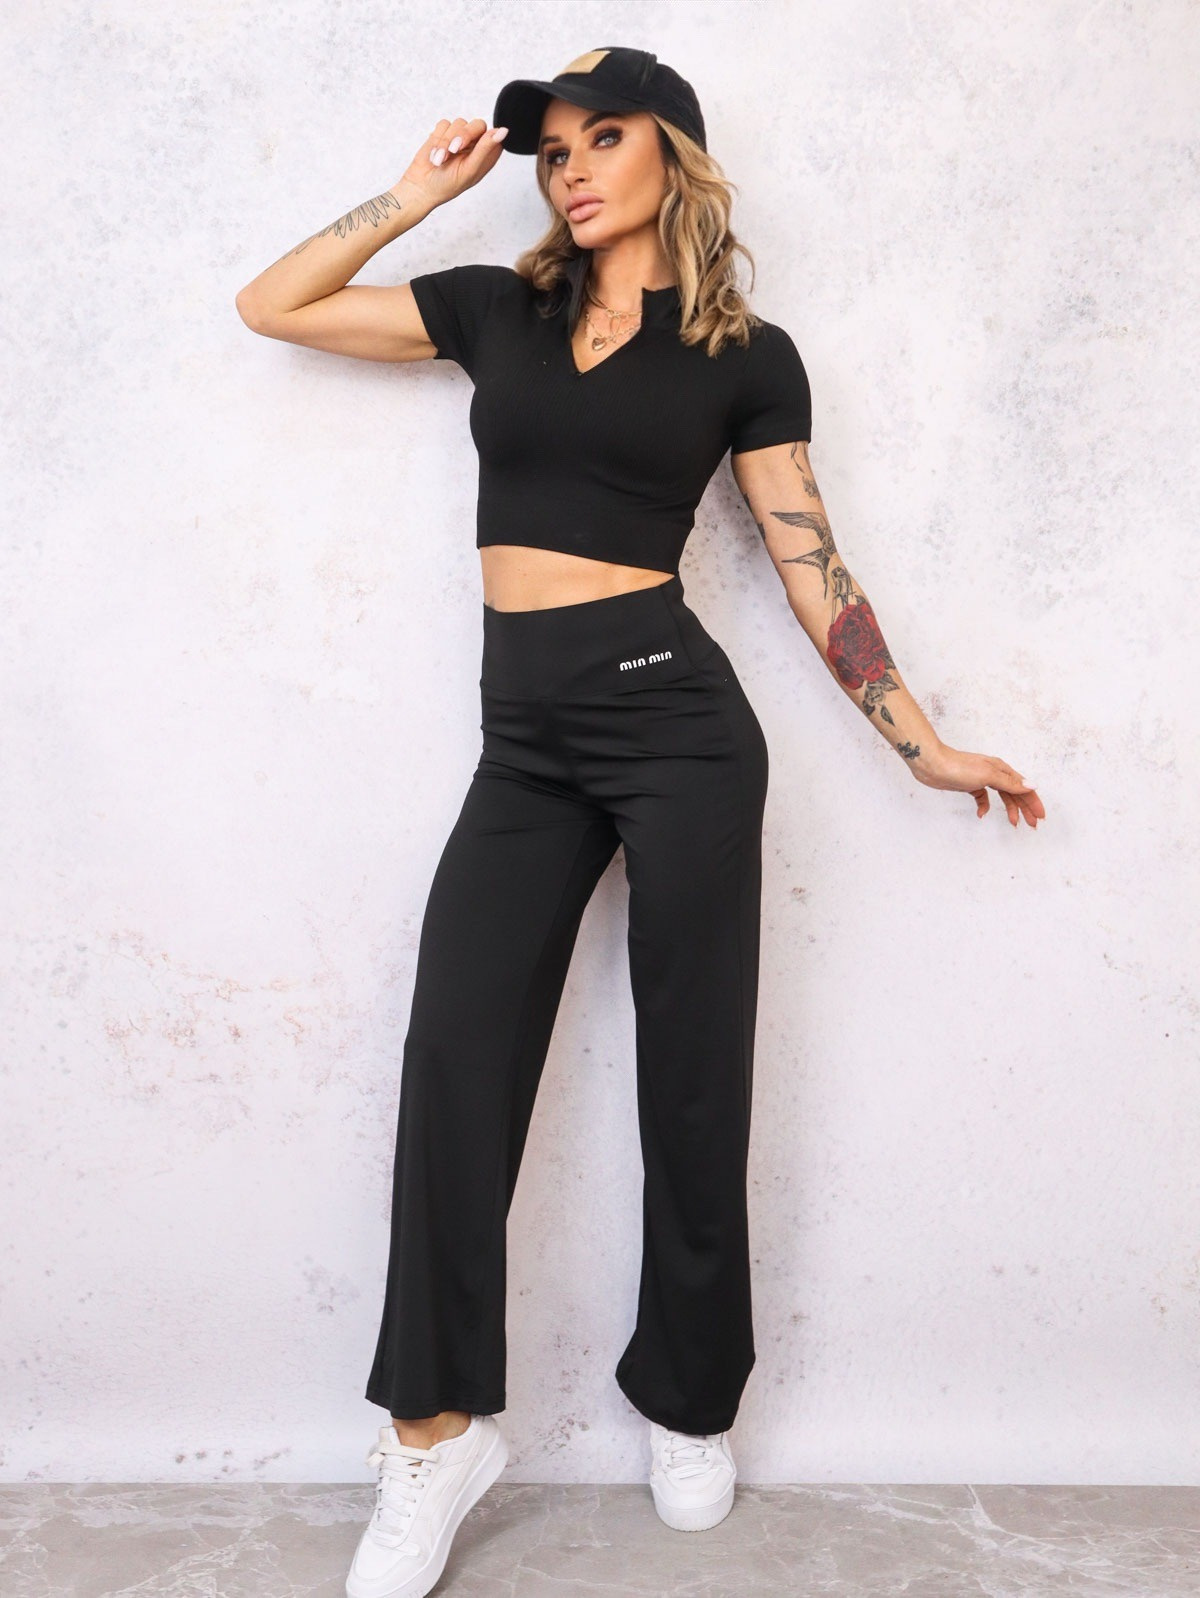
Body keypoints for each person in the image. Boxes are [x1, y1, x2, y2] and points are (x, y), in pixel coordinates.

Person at [236, 45, 1045, 1598]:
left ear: (673, 149)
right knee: (454, 1062)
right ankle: (435, 1432)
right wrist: (413, 198)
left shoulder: (746, 353)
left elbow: (813, 563)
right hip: (525, 747)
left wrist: (922, 744)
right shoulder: (500, 312)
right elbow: (272, 305)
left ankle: (689, 1397)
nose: (572, 169)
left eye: (603, 138)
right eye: (553, 151)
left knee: (692, 1071)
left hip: (679, 730)